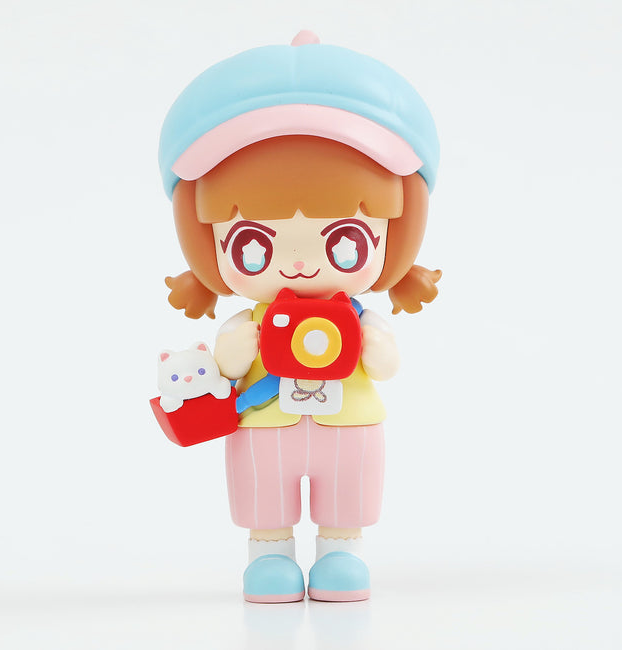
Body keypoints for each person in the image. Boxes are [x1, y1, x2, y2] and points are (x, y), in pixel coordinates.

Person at [158, 31, 440, 603]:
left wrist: (375, 346)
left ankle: (341, 552)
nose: (297, 263)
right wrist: (238, 347)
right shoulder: (250, 320)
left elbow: (387, 365)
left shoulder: (361, 317)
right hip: (264, 420)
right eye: (254, 246)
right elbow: (228, 361)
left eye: (344, 242)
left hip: (349, 420)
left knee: (347, 496)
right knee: (265, 499)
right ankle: (270, 556)